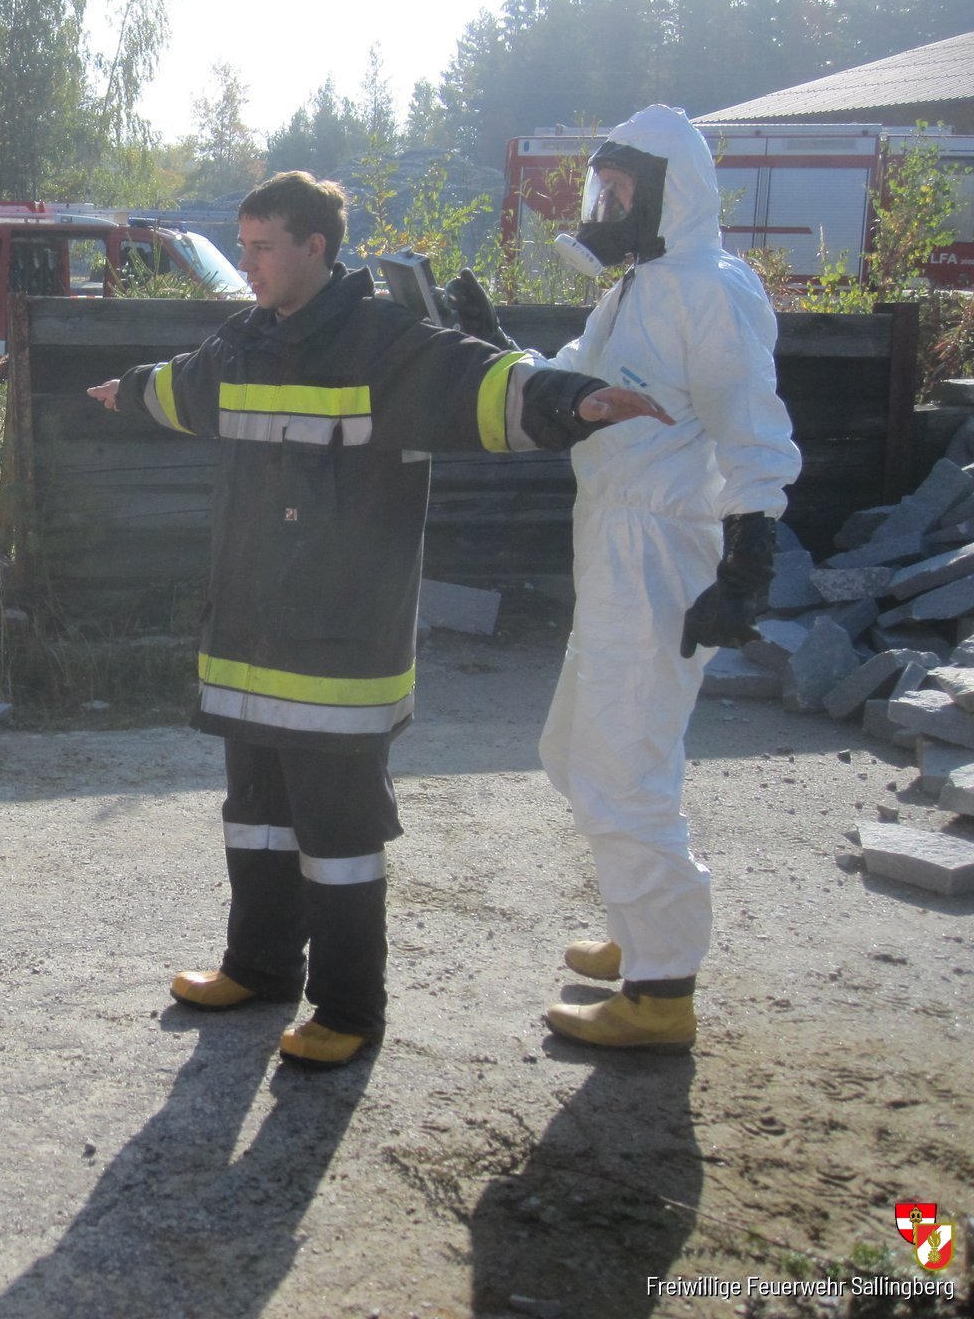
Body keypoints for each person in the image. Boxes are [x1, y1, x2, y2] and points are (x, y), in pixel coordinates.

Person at [87, 171, 666, 1070]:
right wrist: (126, 391)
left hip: (339, 653)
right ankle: (259, 967)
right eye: (244, 247)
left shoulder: (384, 345)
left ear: (316, 248)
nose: (248, 264)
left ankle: (350, 1009)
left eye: (263, 247)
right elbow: (184, 389)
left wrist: (568, 400)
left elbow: (481, 383)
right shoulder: (246, 343)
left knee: (341, 839)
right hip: (247, 641)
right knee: (257, 817)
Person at [510, 105, 799, 1051]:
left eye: (621, 189)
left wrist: (748, 561)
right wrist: (501, 357)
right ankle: (643, 926)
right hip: (613, 538)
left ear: (669, 193)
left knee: (623, 763)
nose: (605, 206)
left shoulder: (706, 290)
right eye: (603, 189)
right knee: (579, 749)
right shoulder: (639, 288)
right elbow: (575, 379)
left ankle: (661, 990)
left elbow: (752, 426)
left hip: (660, 549)